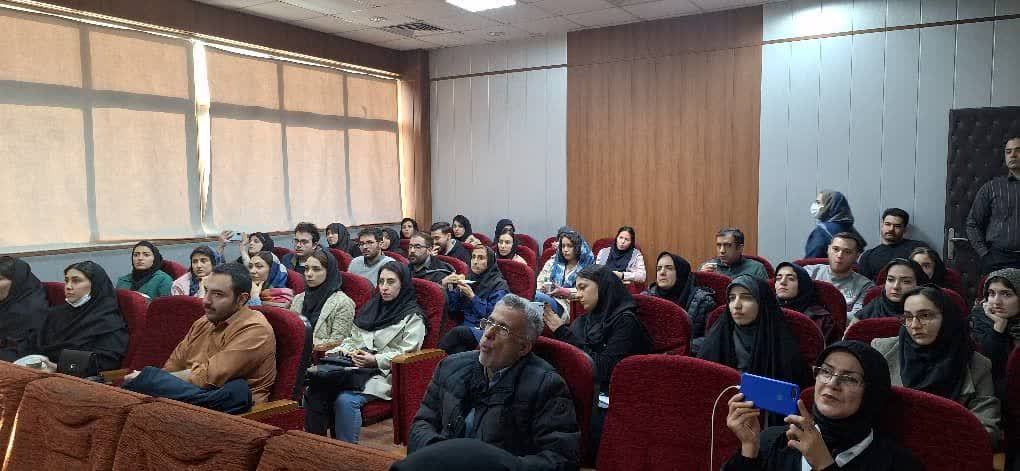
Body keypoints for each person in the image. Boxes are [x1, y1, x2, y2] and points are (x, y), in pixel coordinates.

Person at [407, 295, 580, 470]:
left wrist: (495, 465)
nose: (488, 333)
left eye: (503, 329)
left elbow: (560, 460)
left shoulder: (547, 386)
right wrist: (442, 456)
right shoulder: (450, 366)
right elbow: (420, 425)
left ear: (523, 347)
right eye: (489, 323)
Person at [723, 340, 922, 471]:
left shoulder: (898, 464)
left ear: (872, 393)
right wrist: (749, 448)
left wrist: (824, 465)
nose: (832, 383)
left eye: (850, 378)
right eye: (826, 371)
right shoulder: (773, 441)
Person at [122, 263, 277, 411]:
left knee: (144, 383)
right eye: (206, 290)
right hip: (188, 399)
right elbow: (173, 366)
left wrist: (154, 380)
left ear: (241, 299)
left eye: (218, 294)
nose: (206, 301)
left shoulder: (255, 329)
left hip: (234, 411)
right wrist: (157, 381)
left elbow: (207, 378)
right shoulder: (203, 322)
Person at [304, 262, 428, 443]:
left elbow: (407, 353)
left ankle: (346, 452)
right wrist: (340, 352)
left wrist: (375, 359)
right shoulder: (372, 307)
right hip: (354, 368)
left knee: (346, 400)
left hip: (385, 374)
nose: (384, 287)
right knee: (314, 390)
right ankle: (316, 446)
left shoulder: (413, 316)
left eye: (391, 282)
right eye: (381, 281)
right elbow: (352, 339)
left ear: (403, 284)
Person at [542, 265, 652, 459]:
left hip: (617, 399)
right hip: (584, 393)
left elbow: (600, 369)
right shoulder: (583, 321)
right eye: (577, 288)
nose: (578, 294)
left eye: (583, 287)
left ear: (602, 287)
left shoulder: (626, 322)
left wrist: (561, 332)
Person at [872, 286, 1002, 448]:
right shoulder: (882, 350)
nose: (914, 325)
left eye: (925, 315)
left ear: (947, 318)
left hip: (947, 450)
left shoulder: (977, 365)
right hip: (889, 447)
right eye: (908, 317)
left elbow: (987, 431)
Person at [698, 275, 810, 394]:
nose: (736, 305)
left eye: (746, 298)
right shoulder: (717, 337)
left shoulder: (781, 346)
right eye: (732, 298)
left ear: (762, 303)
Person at [27, 261, 128, 372]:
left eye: (76, 281)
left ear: (95, 285)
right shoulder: (54, 313)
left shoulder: (108, 322)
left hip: (76, 377)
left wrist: (59, 367)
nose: (68, 287)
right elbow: (33, 342)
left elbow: (105, 362)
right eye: (66, 281)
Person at [437, 246, 510, 354]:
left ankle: (433, 356)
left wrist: (472, 296)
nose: (475, 262)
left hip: (485, 329)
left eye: (481, 258)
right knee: (458, 351)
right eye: (473, 257)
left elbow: (492, 316)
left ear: (489, 261)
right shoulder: (468, 279)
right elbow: (453, 310)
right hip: (466, 328)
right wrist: (450, 287)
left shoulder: (499, 285)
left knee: (458, 332)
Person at [966, 135, 1020, 275]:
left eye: (1018, 150)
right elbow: (972, 223)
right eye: (1008, 152)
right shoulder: (992, 187)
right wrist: (985, 255)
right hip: (998, 259)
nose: (1013, 155)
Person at [970, 268, 1020, 400]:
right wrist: (998, 327)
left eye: (1006, 294)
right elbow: (989, 368)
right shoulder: (978, 320)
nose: (997, 302)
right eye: (991, 294)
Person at [643, 252, 716, 342]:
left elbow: (711, 339)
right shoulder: (646, 298)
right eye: (658, 269)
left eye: (669, 268)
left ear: (681, 273)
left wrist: (682, 347)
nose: (662, 273)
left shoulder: (703, 301)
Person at [290, 249, 356, 348]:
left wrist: (303, 343)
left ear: (329, 272)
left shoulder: (343, 303)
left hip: (323, 355)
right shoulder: (298, 298)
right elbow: (291, 331)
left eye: (316, 269)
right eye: (306, 269)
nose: (309, 274)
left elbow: (338, 343)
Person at [803, 233, 874, 318]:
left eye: (847, 252)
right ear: (828, 250)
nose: (840, 255)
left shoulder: (866, 286)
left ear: (856, 256)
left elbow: (856, 316)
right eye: (835, 249)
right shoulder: (808, 272)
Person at [535, 230, 595, 321]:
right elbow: (539, 283)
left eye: (570, 246)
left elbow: (588, 292)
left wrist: (565, 292)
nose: (565, 250)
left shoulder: (587, 267)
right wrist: (543, 288)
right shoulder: (552, 263)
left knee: (535, 296)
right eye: (563, 246)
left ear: (578, 248)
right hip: (548, 298)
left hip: (568, 306)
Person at [855, 208, 929, 281]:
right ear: (882, 225)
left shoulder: (918, 248)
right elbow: (863, 285)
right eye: (887, 224)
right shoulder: (868, 256)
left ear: (905, 229)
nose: (891, 229)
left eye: (897, 226)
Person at [0, 257, 49, 362]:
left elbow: (21, 351)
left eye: (0, 279)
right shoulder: (6, 301)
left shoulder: (31, 310)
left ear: (17, 281)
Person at [852, 259, 928, 324]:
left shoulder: (927, 310)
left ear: (918, 285)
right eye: (890, 280)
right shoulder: (874, 305)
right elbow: (850, 333)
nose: (896, 287)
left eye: (906, 281)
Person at [774, 262, 833, 341]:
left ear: (802, 284)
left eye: (791, 279)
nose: (782, 282)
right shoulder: (766, 309)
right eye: (778, 278)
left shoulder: (821, 318)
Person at [805, 190, 866, 258]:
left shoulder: (822, 231)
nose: (814, 205)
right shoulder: (849, 227)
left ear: (830, 205)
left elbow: (812, 259)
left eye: (818, 202)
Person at [699, 228, 768, 281]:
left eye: (728, 245)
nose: (722, 251)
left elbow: (764, 294)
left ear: (740, 248)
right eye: (719, 245)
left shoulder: (756, 269)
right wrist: (700, 277)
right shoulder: (707, 267)